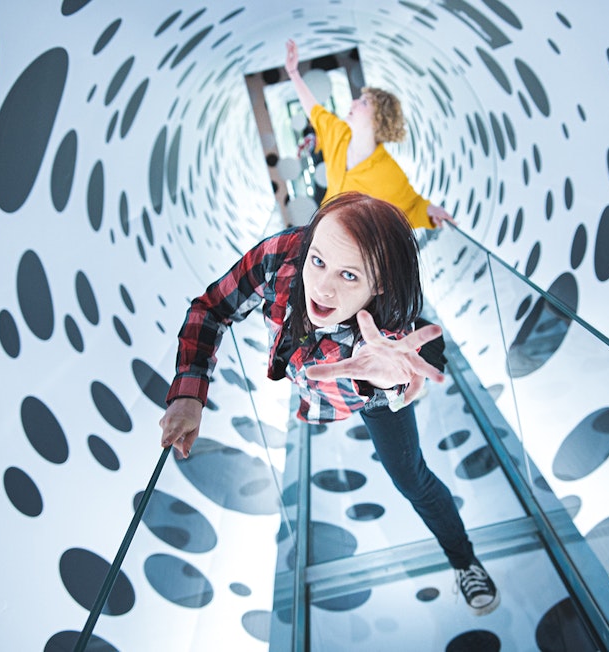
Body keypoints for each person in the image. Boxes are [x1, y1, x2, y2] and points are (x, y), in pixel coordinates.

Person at [159, 192, 500, 615]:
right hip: (312, 371)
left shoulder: (387, 319)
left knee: (411, 478)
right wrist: (189, 391)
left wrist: (386, 382)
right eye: (318, 261)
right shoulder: (281, 254)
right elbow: (213, 308)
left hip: (370, 389)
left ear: (378, 285)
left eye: (349, 276)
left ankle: (465, 561)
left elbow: (388, 359)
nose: (322, 287)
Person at [284, 39, 455, 231]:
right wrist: (293, 72)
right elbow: (314, 109)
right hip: (320, 228)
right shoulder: (338, 133)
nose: (354, 103)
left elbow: (413, 206)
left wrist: (431, 211)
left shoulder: (388, 171)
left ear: (377, 121)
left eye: (364, 102)